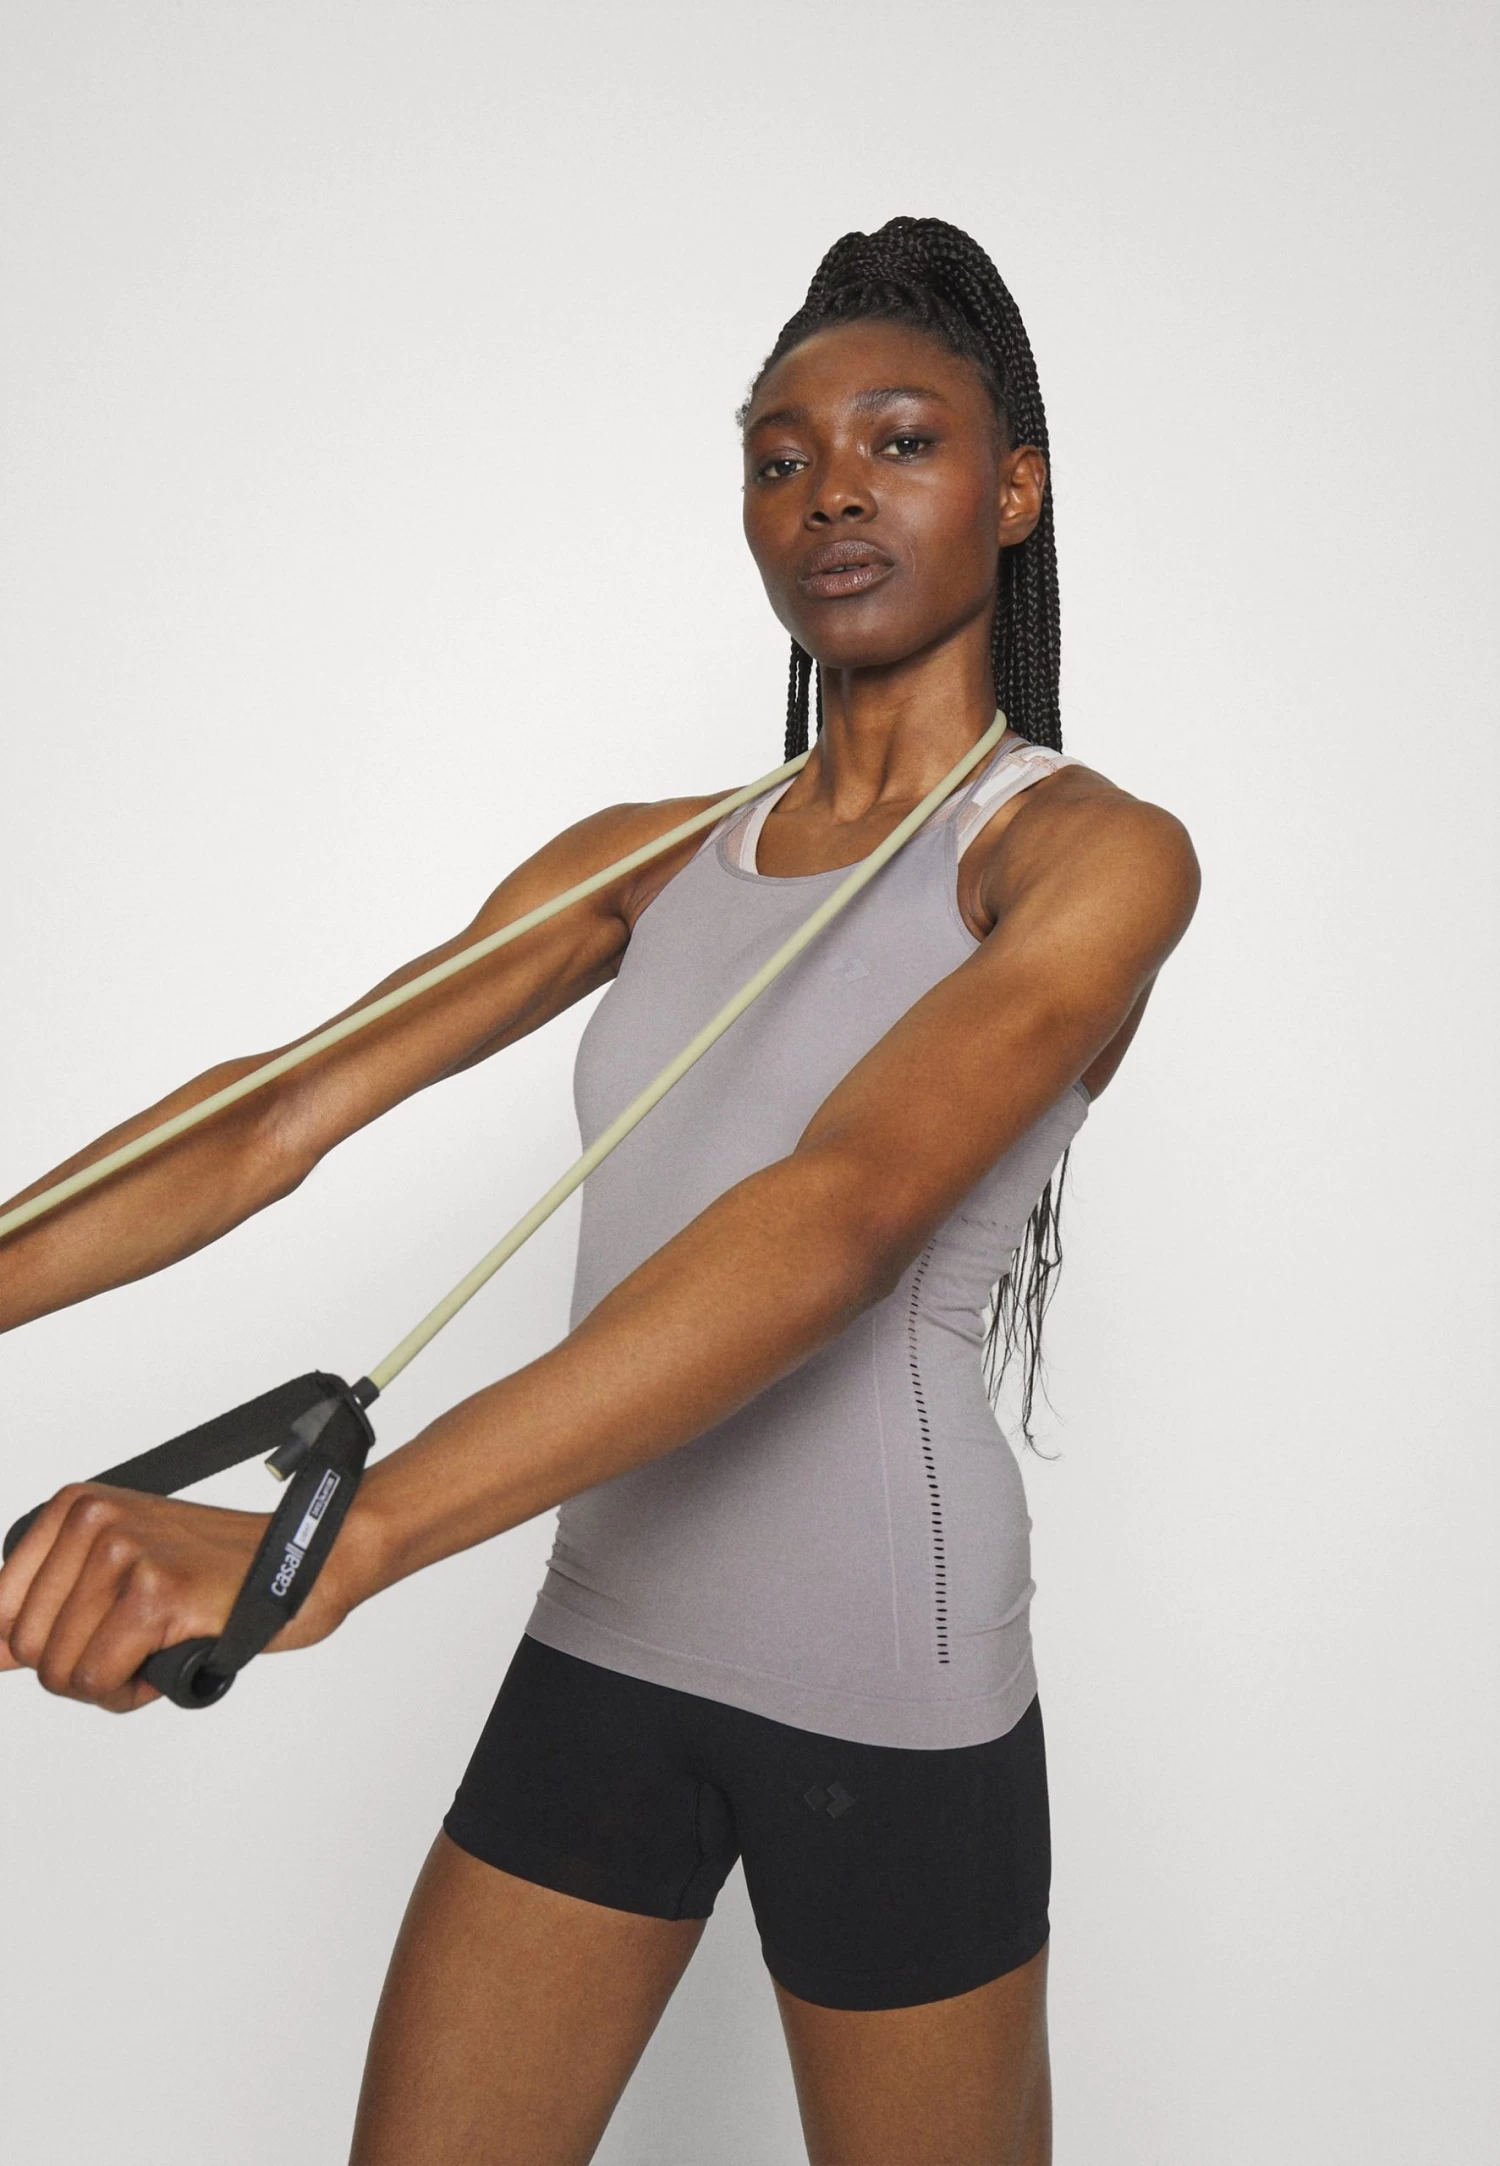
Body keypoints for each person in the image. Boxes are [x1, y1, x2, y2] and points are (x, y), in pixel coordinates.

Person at [0, 217, 1199, 2165]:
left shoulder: (1083, 856)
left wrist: (329, 1543)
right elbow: (271, 1113)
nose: (832, 491)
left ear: (1014, 489)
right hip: (609, 1632)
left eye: (900, 441)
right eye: (782, 454)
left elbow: (843, 1214)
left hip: (885, 1684)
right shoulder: (649, 856)